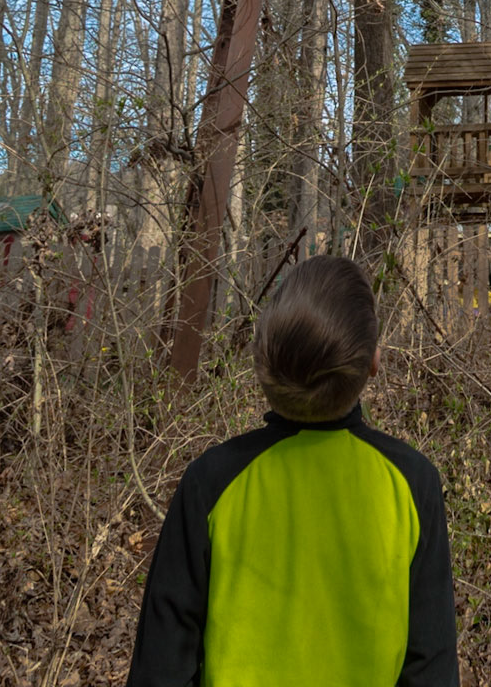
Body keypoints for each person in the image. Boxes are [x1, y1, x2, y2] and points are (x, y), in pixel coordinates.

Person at [126, 254, 458, 687]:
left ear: (262, 365)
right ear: (372, 363)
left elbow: (161, 670)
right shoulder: (413, 484)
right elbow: (431, 669)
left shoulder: (211, 484)